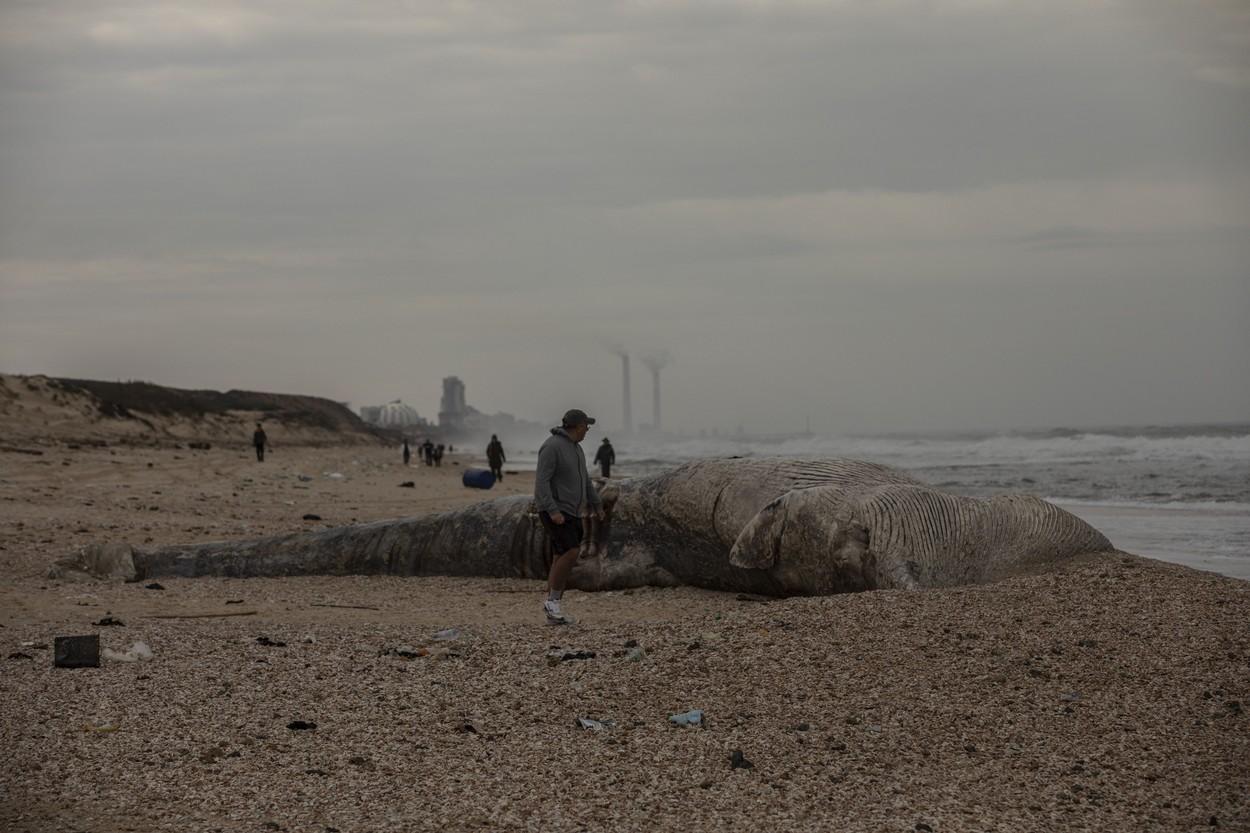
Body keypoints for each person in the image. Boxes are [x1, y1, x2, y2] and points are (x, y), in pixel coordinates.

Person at [535, 409, 604, 625]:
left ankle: (553, 609)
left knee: (560, 556)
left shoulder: (577, 449)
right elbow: (542, 482)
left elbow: (584, 480)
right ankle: (552, 603)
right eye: (586, 426)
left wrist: (596, 503)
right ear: (577, 426)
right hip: (555, 510)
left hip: (573, 511)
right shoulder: (551, 446)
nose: (588, 430)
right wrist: (552, 510)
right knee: (572, 552)